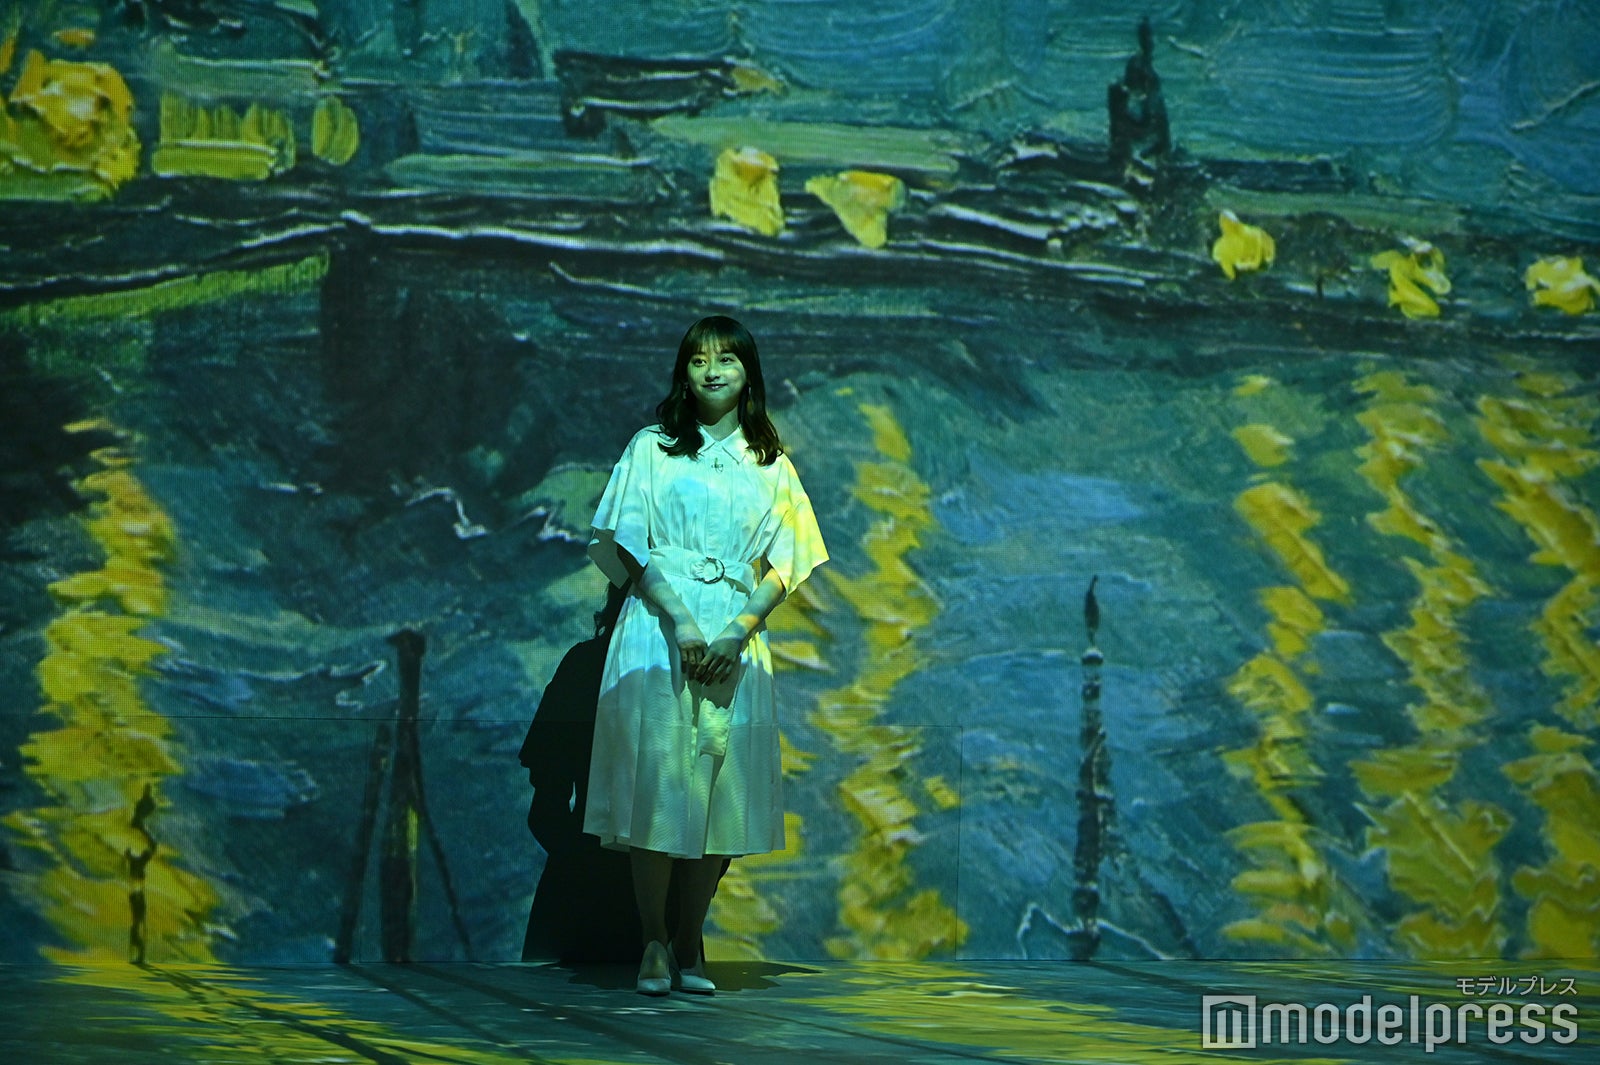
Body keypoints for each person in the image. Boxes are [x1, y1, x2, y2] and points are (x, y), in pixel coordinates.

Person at [583, 315, 827, 995]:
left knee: (720, 792)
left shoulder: (770, 461)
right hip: (659, 630)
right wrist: (685, 623)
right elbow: (628, 542)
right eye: (698, 359)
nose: (712, 370)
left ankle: (691, 939)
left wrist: (736, 630)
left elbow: (789, 560)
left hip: (735, 638)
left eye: (726, 359)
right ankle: (653, 941)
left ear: (749, 373)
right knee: (658, 787)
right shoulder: (653, 448)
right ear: (682, 373)